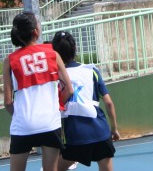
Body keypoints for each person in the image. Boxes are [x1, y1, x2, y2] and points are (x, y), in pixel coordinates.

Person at [3, 12, 74, 171]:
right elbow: (69, 89)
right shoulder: (53, 54)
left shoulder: (9, 61)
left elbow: (7, 102)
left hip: (23, 124)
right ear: (36, 31)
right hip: (50, 122)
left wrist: (21, 114)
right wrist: (55, 107)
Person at [51, 31, 120, 171]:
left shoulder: (55, 77)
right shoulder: (91, 70)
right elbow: (108, 102)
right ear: (75, 48)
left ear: (55, 52)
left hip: (75, 134)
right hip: (100, 131)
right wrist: (114, 129)